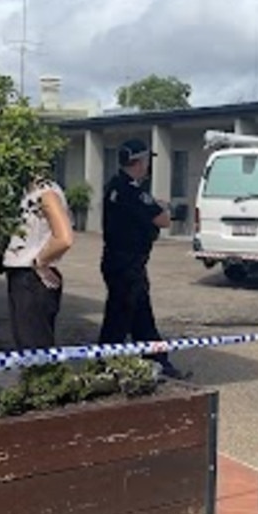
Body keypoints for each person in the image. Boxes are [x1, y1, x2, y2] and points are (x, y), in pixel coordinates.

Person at [97, 139, 187, 379]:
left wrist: (154, 206)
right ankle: (104, 366)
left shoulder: (114, 185)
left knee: (139, 315)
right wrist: (163, 208)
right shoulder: (134, 192)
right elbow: (163, 221)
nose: (147, 167)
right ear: (138, 162)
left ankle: (157, 360)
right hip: (128, 264)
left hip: (117, 261)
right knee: (120, 316)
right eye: (146, 161)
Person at [2, 176, 74, 348]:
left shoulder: (45, 192)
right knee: (29, 346)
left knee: (34, 347)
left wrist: (40, 261)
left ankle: (44, 375)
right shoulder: (26, 190)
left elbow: (64, 238)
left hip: (31, 277)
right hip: (22, 275)